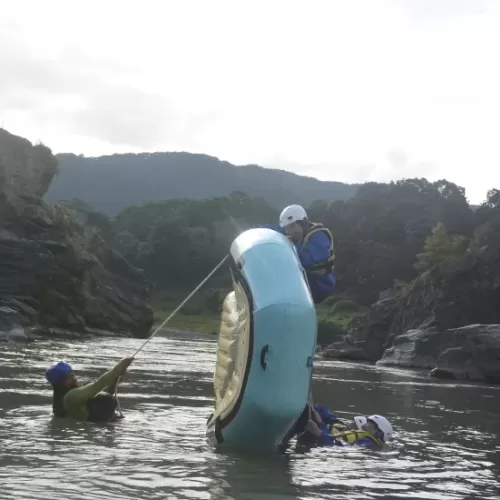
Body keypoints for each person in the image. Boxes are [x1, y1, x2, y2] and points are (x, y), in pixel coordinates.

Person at [258, 204, 336, 304]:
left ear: (303, 223)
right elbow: (279, 230)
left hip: (321, 286)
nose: (289, 232)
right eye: (287, 228)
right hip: (306, 284)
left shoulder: (319, 238)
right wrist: (259, 229)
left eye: (292, 226)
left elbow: (306, 260)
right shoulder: (297, 232)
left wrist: (289, 245)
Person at [45, 357, 134, 423]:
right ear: (61, 383)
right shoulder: (70, 398)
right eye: (69, 377)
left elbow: (103, 391)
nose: (74, 378)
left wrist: (117, 378)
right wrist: (119, 367)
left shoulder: (73, 397)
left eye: (72, 374)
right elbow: (98, 386)